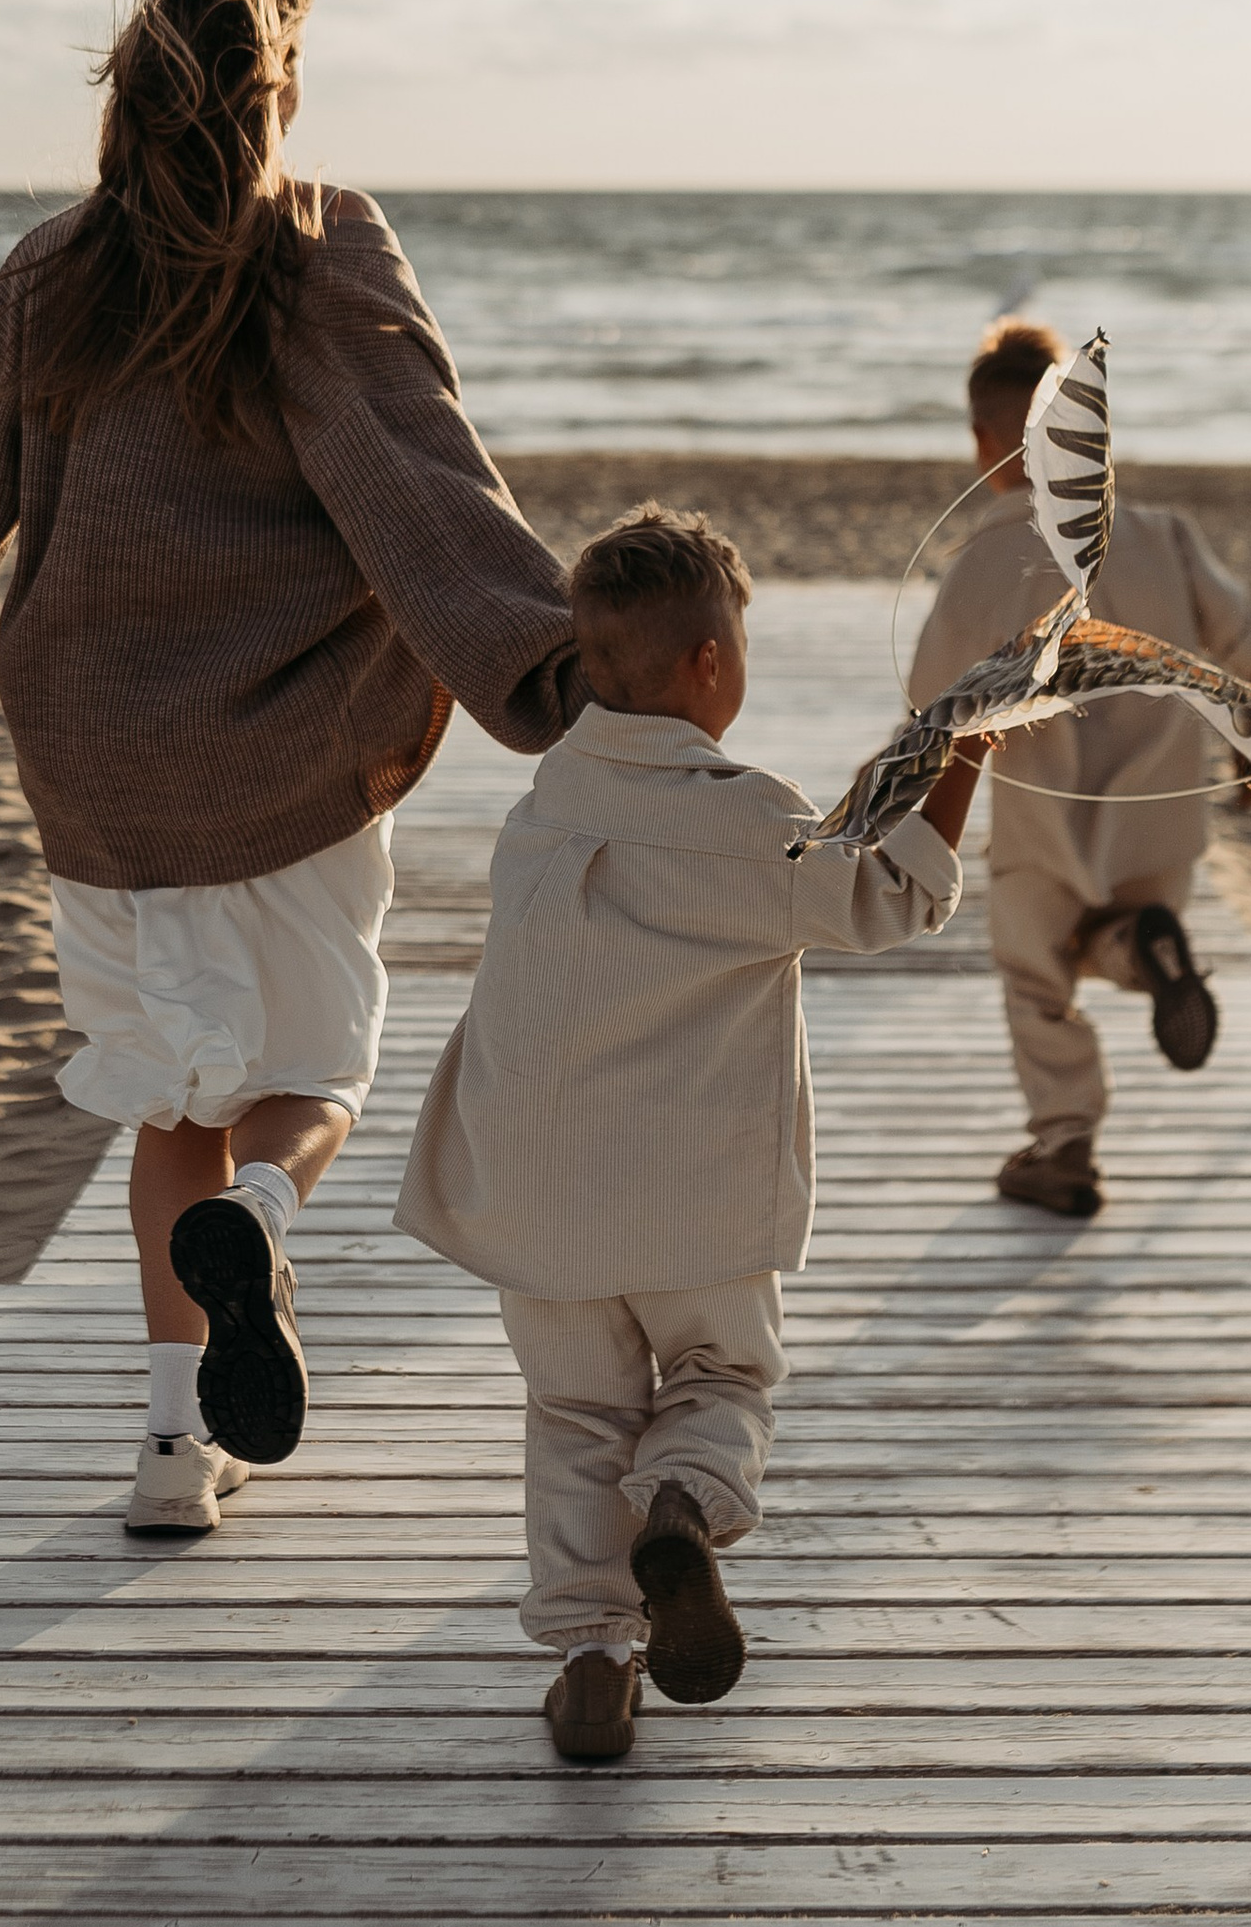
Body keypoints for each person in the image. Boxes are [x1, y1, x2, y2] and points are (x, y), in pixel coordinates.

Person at [0, 0, 581, 1539]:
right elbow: (424, 497)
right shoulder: (319, 257)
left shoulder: (56, 273)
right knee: (309, 1075)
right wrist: (558, 687)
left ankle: (171, 1452)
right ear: (275, 99)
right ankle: (265, 1220)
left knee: (171, 1110)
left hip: (96, 775)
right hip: (279, 764)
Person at [398, 507, 984, 1764]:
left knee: (570, 1415)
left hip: (541, 1194)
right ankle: (684, 1503)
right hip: (695, 1204)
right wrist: (964, 750)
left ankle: (596, 1663)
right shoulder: (740, 814)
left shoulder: (545, 804)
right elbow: (892, 893)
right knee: (721, 1380)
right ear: (711, 667)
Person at [906, 316, 1251, 1221]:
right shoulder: (1163, 535)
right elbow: (1250, 649)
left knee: (1037, 977)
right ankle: (1148, 947)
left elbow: (932, 711)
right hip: (1162, 822)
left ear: (984, 446)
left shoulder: (985, 560)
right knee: (1111, 932)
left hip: (1045, 824)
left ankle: (1066, 1142)